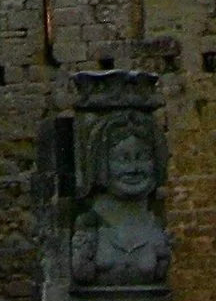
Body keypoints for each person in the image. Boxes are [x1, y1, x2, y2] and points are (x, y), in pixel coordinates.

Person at [71, 116, 170, 286]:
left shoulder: (155, 226)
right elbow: (82, 274)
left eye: (142, 157)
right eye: (123, 159)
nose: (133, 169)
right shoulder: (89, 225)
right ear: (101, 165)